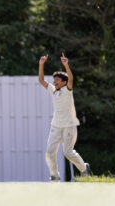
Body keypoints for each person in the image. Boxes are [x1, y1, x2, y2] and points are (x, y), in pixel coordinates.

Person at [39, 53, 90, 181]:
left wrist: (66, 65)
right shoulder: (53, 90)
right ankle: (54, 176)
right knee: (50, 151)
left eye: (57, 80)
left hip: (69, 125)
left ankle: (84, 168)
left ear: (64, 82)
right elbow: (41, 80)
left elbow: (71, 79)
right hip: (56, 125)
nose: (54, 82)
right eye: (54, 79)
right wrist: (41, 64)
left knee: (67, 152)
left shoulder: (67, 90)